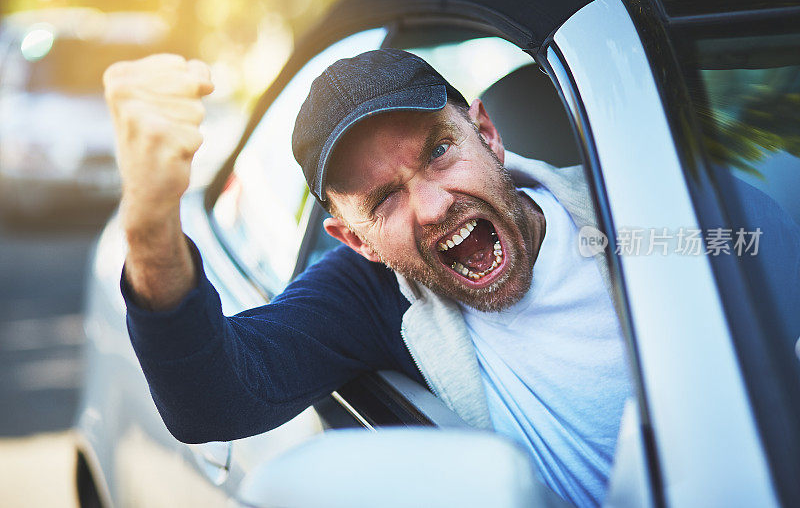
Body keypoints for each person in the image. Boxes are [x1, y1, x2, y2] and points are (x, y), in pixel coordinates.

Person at [104, 49, 632, 508]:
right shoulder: (368, 295)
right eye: (384, 199)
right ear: (357, 241)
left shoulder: (649, 204)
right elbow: (213, 398)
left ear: (488, 135)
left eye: (439, 152)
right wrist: (151, 223)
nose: (431, 207)